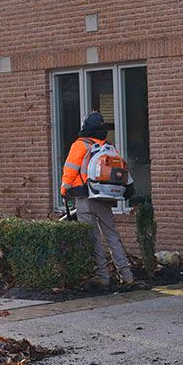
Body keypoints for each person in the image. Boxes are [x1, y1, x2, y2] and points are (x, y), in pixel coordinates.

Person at [60, 110, 136, 289]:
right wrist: (128, 187)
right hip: (104, 198)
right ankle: (127, 275)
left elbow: (70, 169)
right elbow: (121, 170)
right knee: (112, 236)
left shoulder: (80, 145)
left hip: (84, 198)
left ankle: (103, 278)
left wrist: (64, 191)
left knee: (94, 238)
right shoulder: (108, 146)